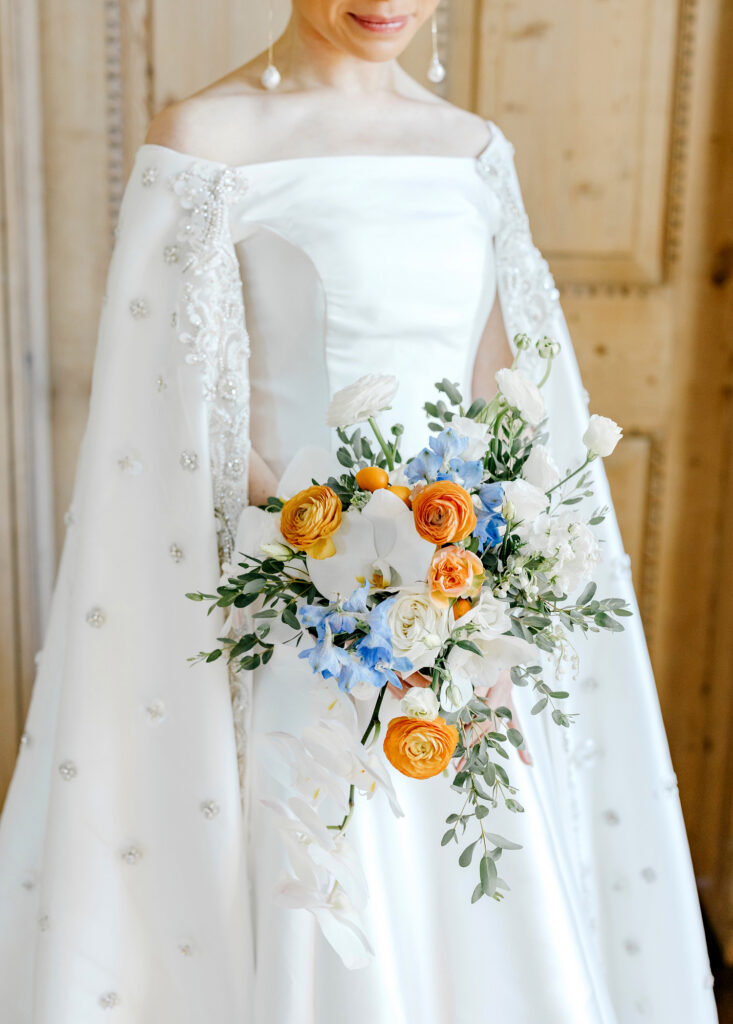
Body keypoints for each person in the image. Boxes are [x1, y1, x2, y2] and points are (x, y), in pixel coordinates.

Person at [0, 2, 718, 1021]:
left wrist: (482, 576)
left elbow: (500, 392)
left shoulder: (472, 151)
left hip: (457, 620)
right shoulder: (203, 140)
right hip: (302, 621)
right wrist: (346, 546)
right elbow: (171, 421)